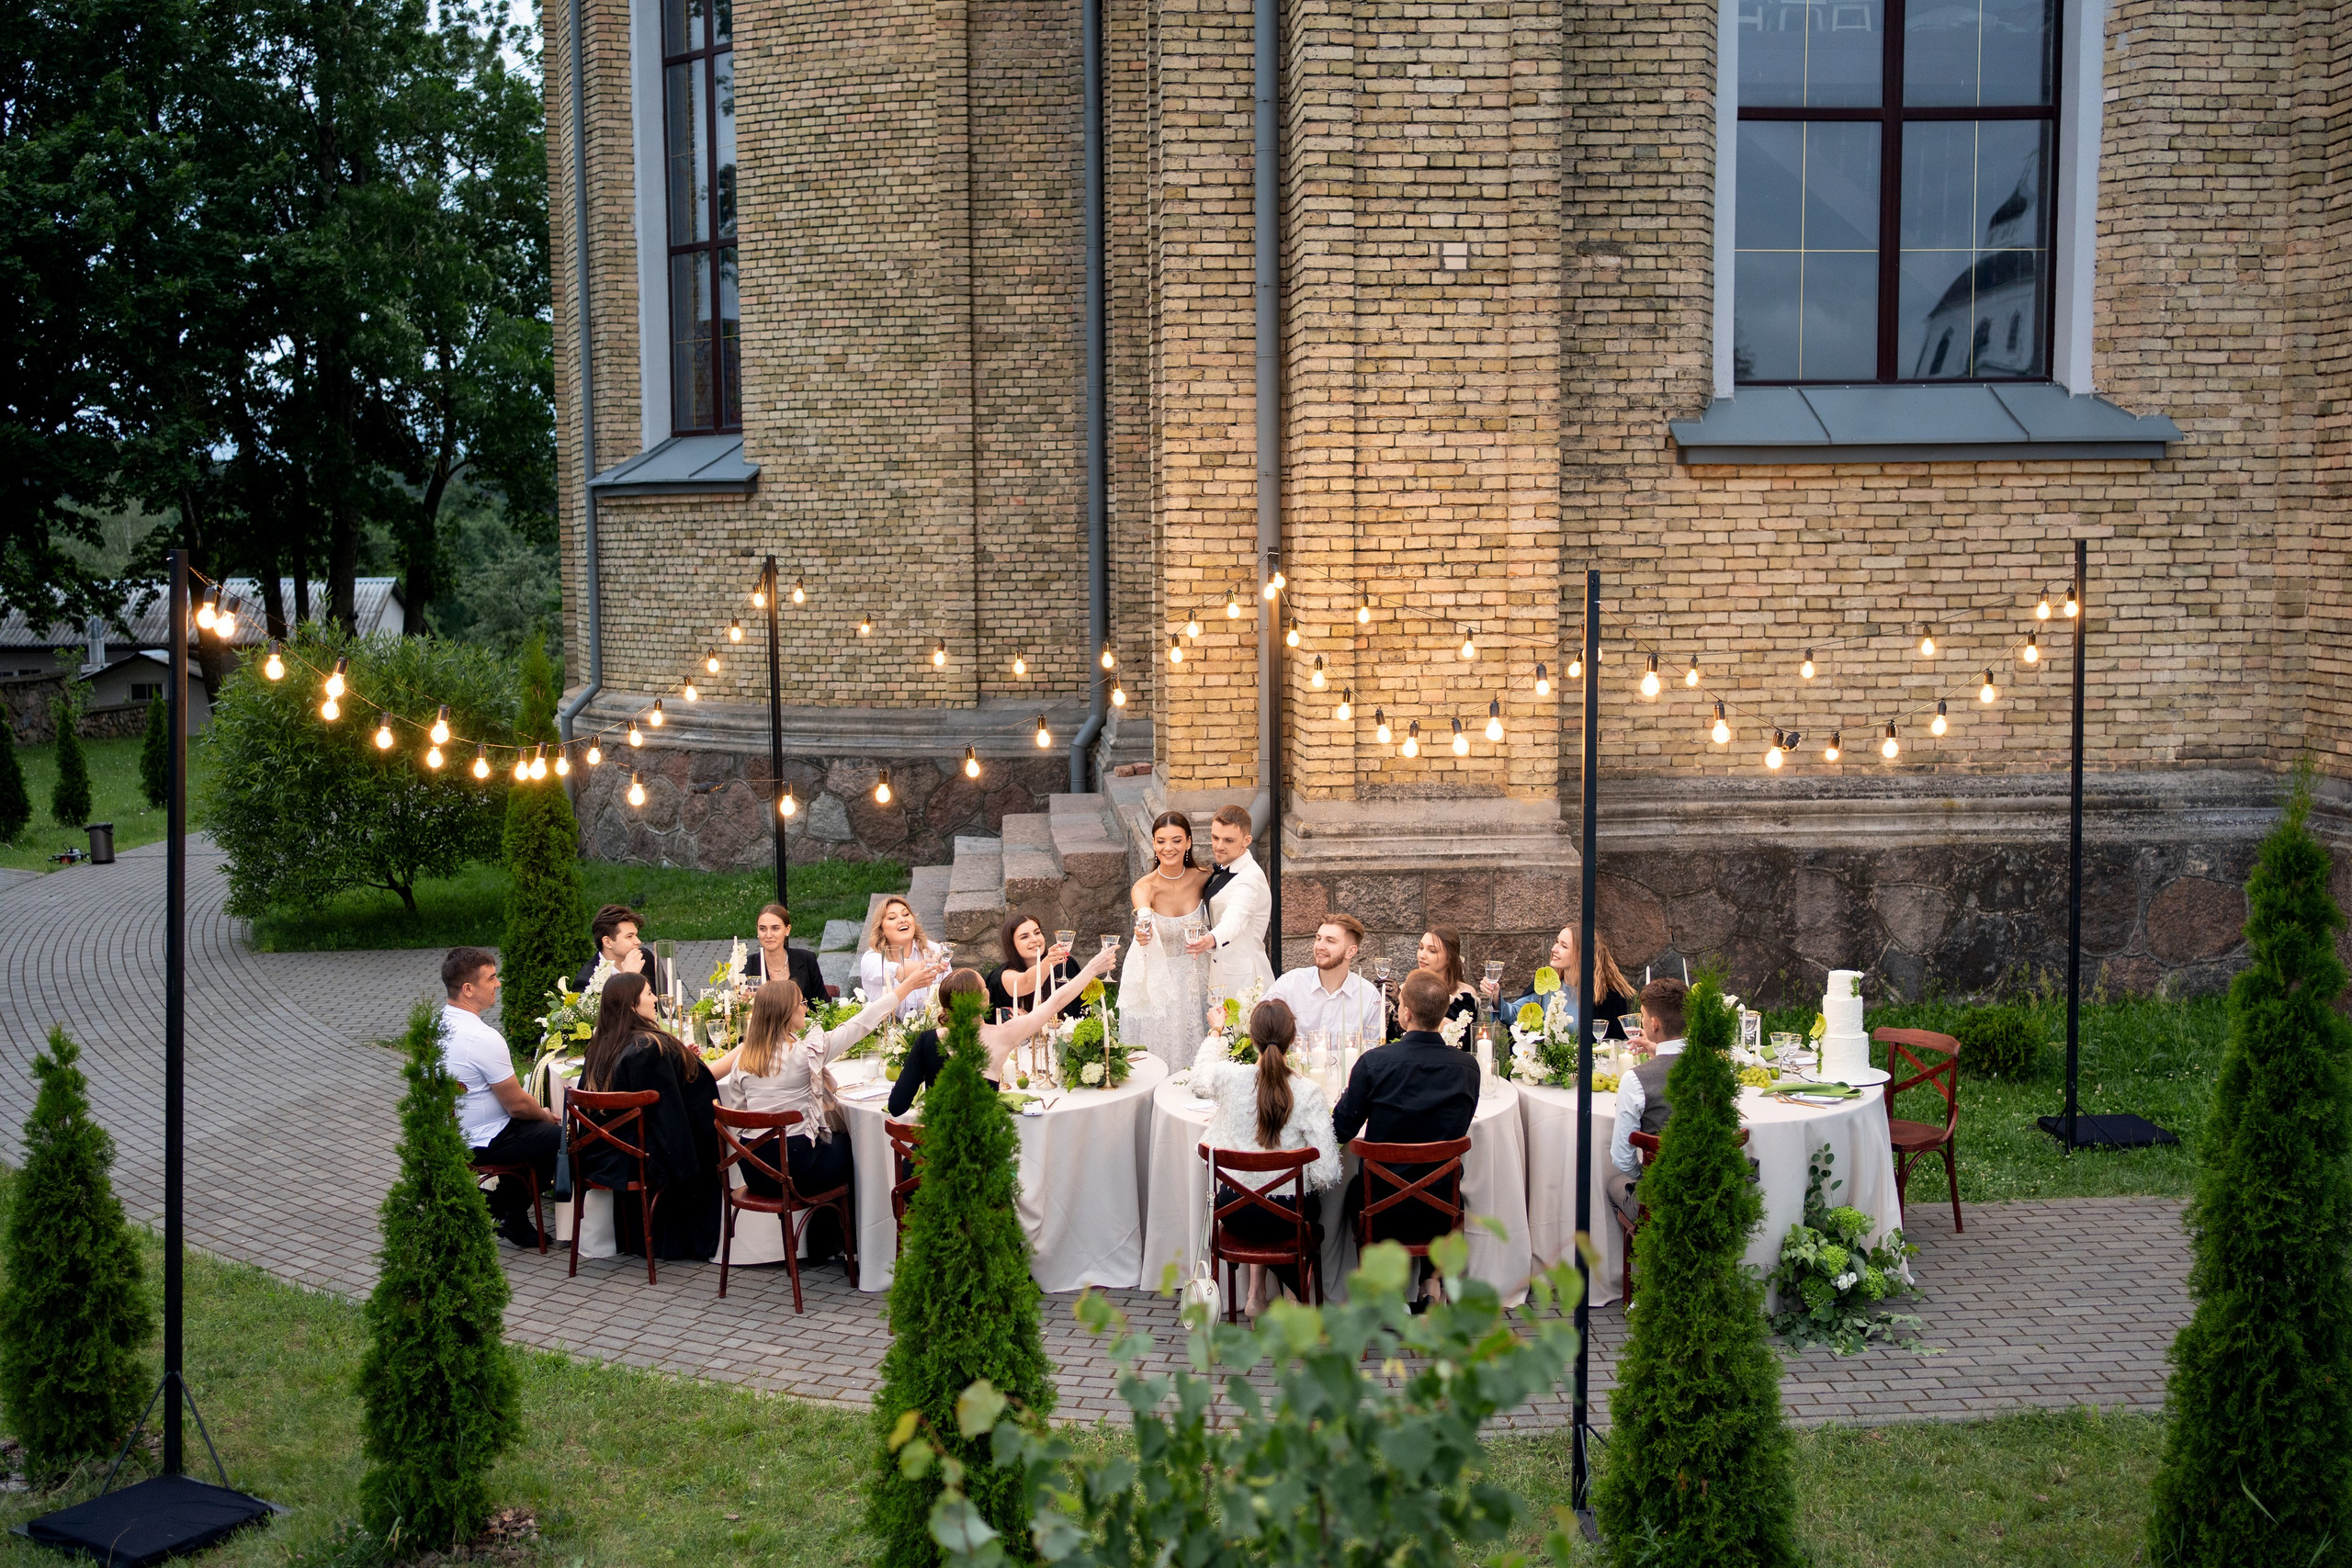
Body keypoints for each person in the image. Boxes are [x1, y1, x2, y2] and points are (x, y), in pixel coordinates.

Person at [711, 957, 944, 1258]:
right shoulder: (804, 1054)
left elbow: (744, 1120)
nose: (805, 1008)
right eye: (801, 1003)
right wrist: (906, 987)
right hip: (793, 1169)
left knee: (831, 1142)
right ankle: (856, 1248)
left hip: (755, 1169)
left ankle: (825, 1244)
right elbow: (859, 1024)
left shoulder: (744, 1060)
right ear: (786, 1012)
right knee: (858, 1147)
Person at [1188, 998, 1341, 1316]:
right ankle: (1293, 1300)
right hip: (1286, 1216)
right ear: (1292, 1039)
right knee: (1299, 1206)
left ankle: (1255, 1296)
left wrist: (1216, 1032)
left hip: (1235, 1210)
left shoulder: (1230, 1079)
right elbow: (1327, 1173)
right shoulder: (1308, 1091)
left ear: (1252, 1038)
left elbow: (1199, 1076)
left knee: (1258, 1196)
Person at [1334, 970, 1482, 1295]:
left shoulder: (1374, 1063)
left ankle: (1384, 1288)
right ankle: (1431, 1283)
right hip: (1441, 1207)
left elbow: (1342, 1128)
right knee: (1441, 1178)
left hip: (1380, 1208)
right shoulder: (1467, 1068)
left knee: (1352, 1190)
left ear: (1405, 1013)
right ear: (1443, 1015)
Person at [575, 971, 723, 1261]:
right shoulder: (648, 1047)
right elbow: (670, 1118)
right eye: (648, 993)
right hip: (637, 1159)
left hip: (601, 1155)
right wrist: (689, 1173)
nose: (655, 998)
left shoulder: (601, 1044)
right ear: (632, 1004)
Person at [887, 942, 1123, 1116]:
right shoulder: (1002, 1035)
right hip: (983, 1167)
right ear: (983, 1000)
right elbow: (1056, 1002)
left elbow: (897, 1106)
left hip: (930, 1164)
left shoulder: (926, 1041)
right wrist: (1092, 968)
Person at [439, 946, 560, 1250]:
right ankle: (497, 1208)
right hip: (484, 1139)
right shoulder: (482, 1037)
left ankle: (509, 1213)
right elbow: (518, 1106)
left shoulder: (437, 1024)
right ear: (468, 989)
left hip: (452, 1130)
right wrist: (546, 1115)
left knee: (537, 1136)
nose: (498, 983)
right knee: (560, 1138)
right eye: (491, 978)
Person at [1120, 810, 1214, 1073]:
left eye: (1176, 840)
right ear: (1153, 844)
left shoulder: (1204, 878)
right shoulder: (1144, 887)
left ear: (1188, 842)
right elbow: (1143, 918)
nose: (1168, 847)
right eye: (1161, 841)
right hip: (1160, 980)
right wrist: (1143, 932)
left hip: (1197, 977)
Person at [1606, 977, 1689, 1230]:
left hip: (1662, 1201)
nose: (1642, 1022)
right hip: (1712, 1194)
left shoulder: (1635, 1080)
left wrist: (1646, 1175)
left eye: (1642, 1016)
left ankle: (1643, 1263)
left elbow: (1622, 1158)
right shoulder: (1717, 1068)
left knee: (1614, 1184)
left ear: (1654, 1023)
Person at [1184, 804, 1275, 998]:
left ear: (1247, 840)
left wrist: (1210, 939)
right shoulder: (1228, 868)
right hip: (1224, 973)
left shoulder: (1248, 879)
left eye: (1228, 840)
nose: (1219, 846)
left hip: (1245, 983)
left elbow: (1235, 918)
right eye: (1215, 837)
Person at [1262, 914, 1384, 1049]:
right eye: (1318, 938)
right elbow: (1260, 1025)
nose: (1320, 946)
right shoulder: (1290, 983)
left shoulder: (1367, 995)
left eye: (1330, 941)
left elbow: (1373, 1051)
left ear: (1350, 951)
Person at [1501, 924, 1638, 1039]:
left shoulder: (1607, 997)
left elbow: (1616, 1044)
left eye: (1564, 946)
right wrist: (1496, 996)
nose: (1554, 949)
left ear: (1580, 955)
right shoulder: (1547, 985)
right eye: (1557, 942)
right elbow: (1514, 1014)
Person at [858, 896, 950, 1022]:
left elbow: (949, 995)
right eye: (892, 917)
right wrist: (924, 965)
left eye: (906, 914)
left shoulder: (936, 950)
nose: (902, 920)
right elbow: (893, 970)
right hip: (886, 1034)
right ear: (881, 930)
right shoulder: (871, 959)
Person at [1385, 926, 1479, 1043]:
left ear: (1449, 958)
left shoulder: (1464, 994)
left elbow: (1445, 1035)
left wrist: (1403, 1004)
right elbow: (1391, 1040)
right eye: (1421, 948)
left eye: (1432, 951)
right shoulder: (1405, 988)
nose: (1422, 955)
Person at [572, 903, 680, 997]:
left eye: (636, 935)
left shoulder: (644, 957)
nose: (638, 941)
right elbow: (607, 1018)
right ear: (607, 942)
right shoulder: (586, 980)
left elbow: (664, 1002)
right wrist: (628, 979)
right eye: (629, 936)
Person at [986, 911, 1077, 1020]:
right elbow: (1027, 982)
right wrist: (1048, 962)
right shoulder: (1003, 976)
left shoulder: (1065, 965)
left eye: (1037, 933)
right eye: (1024, 937)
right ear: (1012, 945)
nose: (1035, 939)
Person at [742, 901, 829, 1002]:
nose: (768, 935)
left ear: (787, 930)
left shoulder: (806, 959)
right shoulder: (747, 965)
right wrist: (744, 1002)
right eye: (763, 929)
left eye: (775, 928)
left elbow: (823, 1003)